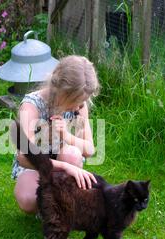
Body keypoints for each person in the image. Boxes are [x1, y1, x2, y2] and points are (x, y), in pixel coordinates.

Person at [11, 55, 101, 215]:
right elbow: (24, 157)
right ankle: (51, 203)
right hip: (35, 167)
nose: (78, 107)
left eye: (82, 102)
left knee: (72, 154)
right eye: (75, 102)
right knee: (28, 199)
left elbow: (89, 149)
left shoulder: (79, 106)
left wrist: (66, 135)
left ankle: (61, 206)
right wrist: (66, 167)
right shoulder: (31, 106)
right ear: (61, 92)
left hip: (63, 160)